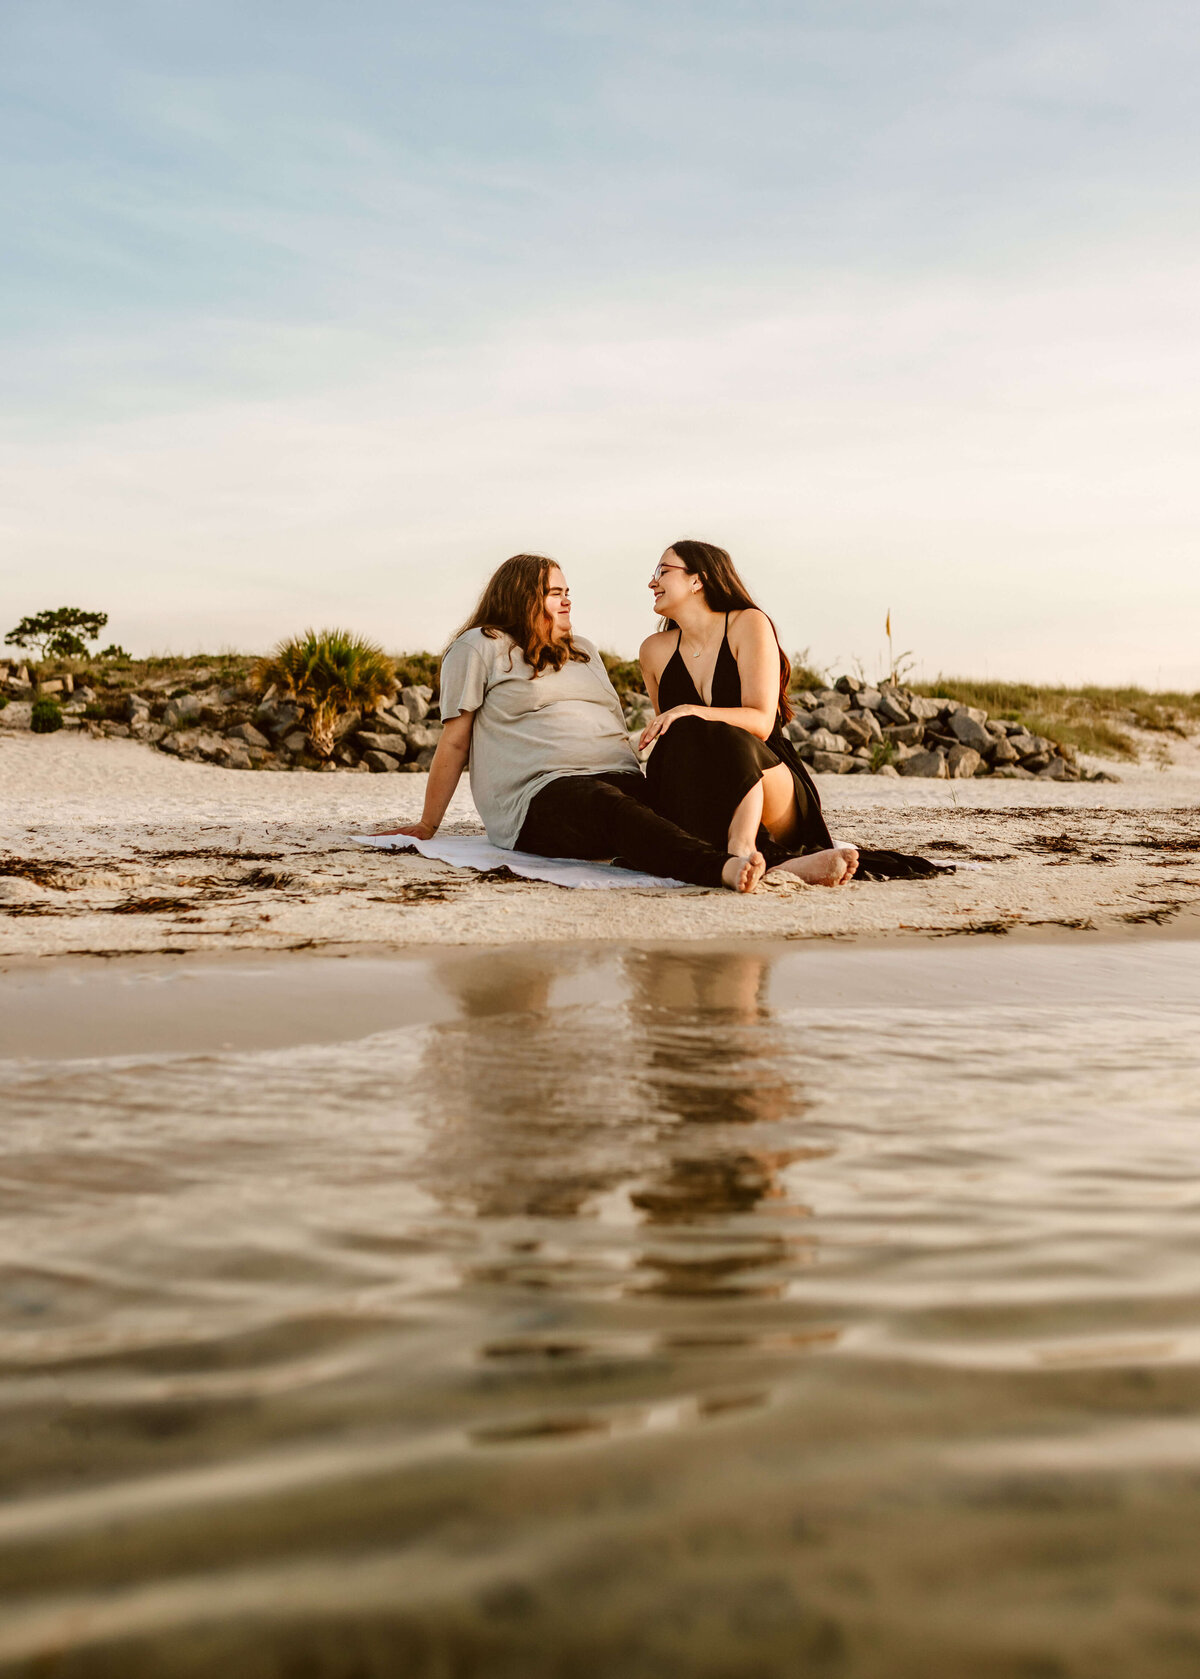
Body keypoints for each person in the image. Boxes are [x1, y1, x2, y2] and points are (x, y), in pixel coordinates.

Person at [383, 553, 768, 892]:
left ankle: (783, 861)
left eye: (567, 592)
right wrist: (427, 824)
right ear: (523, 597)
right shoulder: (479, 646)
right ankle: (719, 869)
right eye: (555, 593)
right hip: (541, 792)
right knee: (610, 808)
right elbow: (454, 742)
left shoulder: (583, 650)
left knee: (688, 808)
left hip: (619, 776)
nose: (568, 600)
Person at [639, 539, 859, 885]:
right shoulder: (653, 651)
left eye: (662, 571)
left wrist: (690, 709)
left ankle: (742, 847)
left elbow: (761, 721)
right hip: (702, 792)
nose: (652, 582)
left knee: (724, 733)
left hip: (766, 777)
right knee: (679, 741)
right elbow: (672, 737)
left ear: (698, 580)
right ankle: (774, 866)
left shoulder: (748, 624)